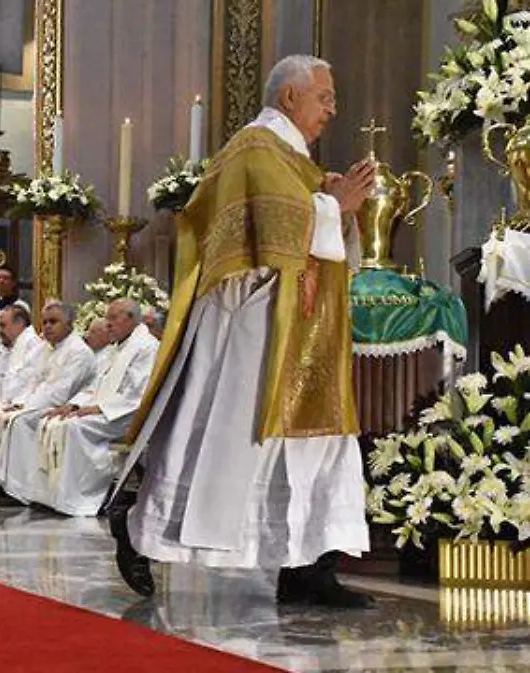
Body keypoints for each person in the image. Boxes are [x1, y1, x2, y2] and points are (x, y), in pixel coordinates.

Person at [106, 54, 376, 609]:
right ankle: (138, 530)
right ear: (289, 98)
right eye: (324, 96)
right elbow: (276, 228)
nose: (333, 108)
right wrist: (333, 207)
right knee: (225, 445)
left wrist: (332, 203)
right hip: (251, 328)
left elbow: (302, 213)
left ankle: (307, 566)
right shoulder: (256, 147)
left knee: (311, 449)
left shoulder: (291, 156)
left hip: (301, 328)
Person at [31, 299, 158, 516]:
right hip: (105, 410)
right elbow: (95, 385)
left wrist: (99, 408)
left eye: (112, 318)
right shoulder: (115, 348)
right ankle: (53, 496)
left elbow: (138, 394)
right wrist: (73, 405)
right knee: (52, 421)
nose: (107, 324)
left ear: (130, 319)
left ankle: (82, 499)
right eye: (107, 318)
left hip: (126, 415)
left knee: (73, 428)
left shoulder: (146, 347)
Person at [0, 301, 95, 502]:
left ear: (70, 324)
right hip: (39, 403)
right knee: (1, 415)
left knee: (19, 422)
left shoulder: (78, 352)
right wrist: (19, 403)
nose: (47, 326)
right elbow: (32, 380)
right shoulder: (46, 349)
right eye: (45, 322)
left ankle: (19, 491)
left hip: (61, 406)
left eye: (53, 322)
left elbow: (60, 391)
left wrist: (26, 407)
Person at [0, 303, 45, 405]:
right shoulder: (7, 345)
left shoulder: (33, 345)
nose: (0, 331)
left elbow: (31, 383)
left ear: (19, 323)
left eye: (3, 325)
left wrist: (16, 404)